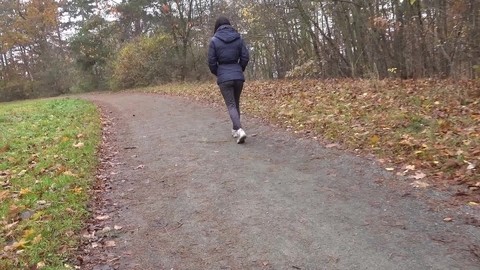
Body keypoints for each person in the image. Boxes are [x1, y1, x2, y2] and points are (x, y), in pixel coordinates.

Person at [208, 16, 250, 144]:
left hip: (224, 76)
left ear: (217, 26)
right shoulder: (238, 38)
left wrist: (219, 72)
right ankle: (235, 129)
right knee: (235, 103)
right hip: (238, 75)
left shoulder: (214, 40)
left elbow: (211, 62)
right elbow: (245, 56)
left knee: (231, 104)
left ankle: (239, 129)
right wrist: (240, 68)